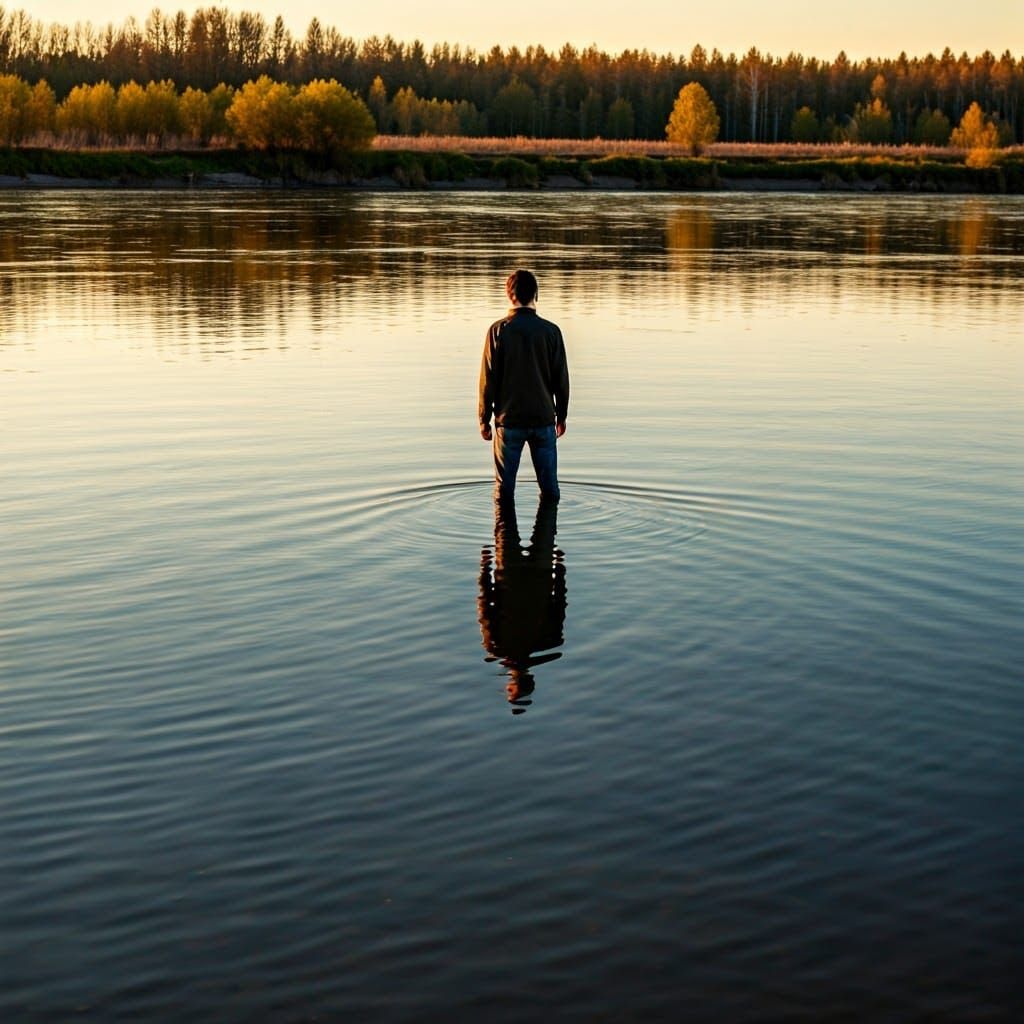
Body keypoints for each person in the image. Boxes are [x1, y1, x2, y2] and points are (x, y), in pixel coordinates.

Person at [478, 269, 570, 501]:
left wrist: (483, 419)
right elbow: (562, 379)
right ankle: (548, 535)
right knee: (550, 491)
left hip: (508, 422)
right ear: (536, 295)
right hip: (543, 420)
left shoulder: (497, 331)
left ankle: (504, 535)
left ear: (510, 295)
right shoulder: (551, 332)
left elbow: (487, 380)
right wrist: (562, 416)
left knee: (504, 492)